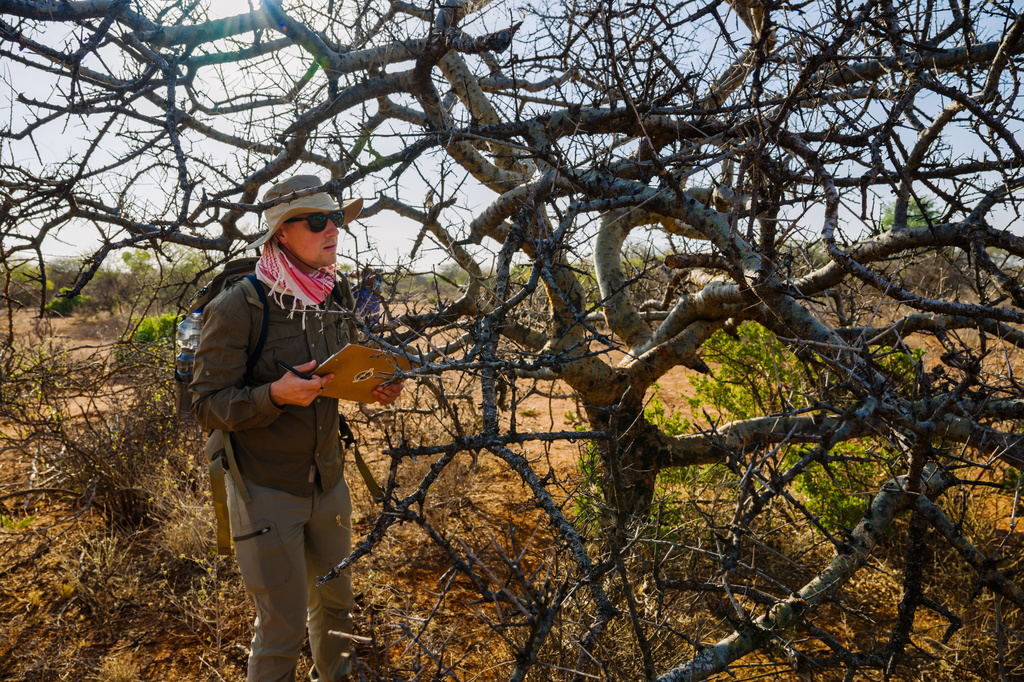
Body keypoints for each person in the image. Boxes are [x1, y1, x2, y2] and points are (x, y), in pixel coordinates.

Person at [190, 174, 403, 682]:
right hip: (264, 488)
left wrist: (371, 386)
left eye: (336, 219)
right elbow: (205, 406)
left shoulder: (334, 294)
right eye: (316, 221)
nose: (332, 230)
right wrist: (273, 395)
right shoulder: (238, 306)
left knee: (338, 609)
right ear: (280, 233)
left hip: (328, 481)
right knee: (281, 628)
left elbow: (336, 375)